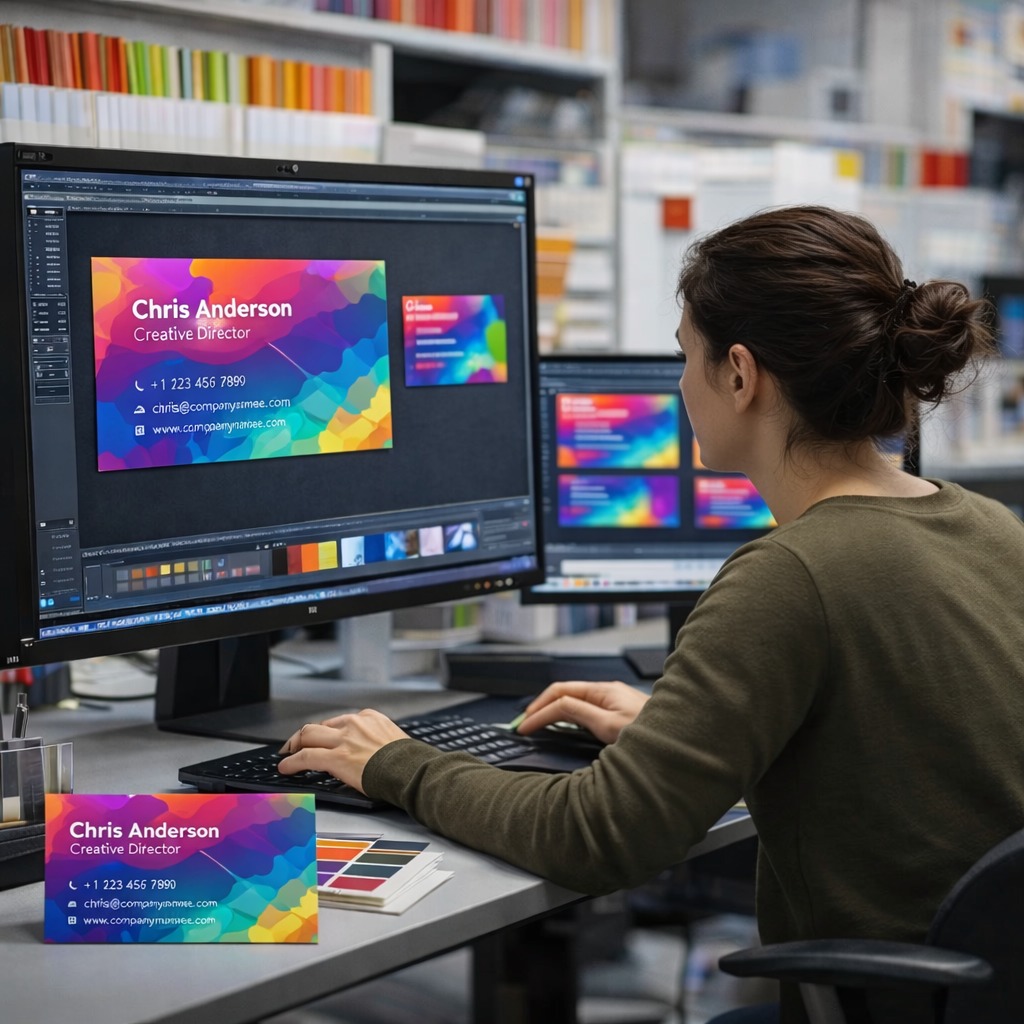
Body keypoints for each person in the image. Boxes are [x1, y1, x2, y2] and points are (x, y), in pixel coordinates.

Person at [279, 206, 1024, 1024]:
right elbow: (920, 750)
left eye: (684, 355)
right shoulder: (987, 525)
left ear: (740, 374)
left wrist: (397, 762)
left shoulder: (790, 574)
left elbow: (598, 839)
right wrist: (679, 731)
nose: (678, 382)